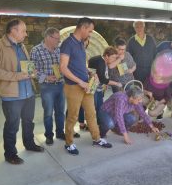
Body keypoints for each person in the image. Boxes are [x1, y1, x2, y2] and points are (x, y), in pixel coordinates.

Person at [60, 17, 112, 155]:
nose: (90, 34)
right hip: (74, 86)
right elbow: (63, 68)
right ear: (82, 28)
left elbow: (80, 65)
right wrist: (80, 81)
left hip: (86, 85)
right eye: (89, 31)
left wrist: (90, 73)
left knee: (91, 113)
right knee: (73, 116)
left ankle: (96, 138)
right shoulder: (67, 44)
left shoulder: (81, 43)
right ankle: (69, 143)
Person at [0, 19, 44, 164]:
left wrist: (32, 71)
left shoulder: (22, 46)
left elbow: (25, 67)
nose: (26, 33)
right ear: (13, 31)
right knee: (12, 125)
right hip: (11, 95)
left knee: (28, 122)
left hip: (28, 92)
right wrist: (18, 76)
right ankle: (10, 154)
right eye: (23, 30)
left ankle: (29, 144)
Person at [30, 27, 65, 145]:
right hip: (47, 87)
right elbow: (32, 71)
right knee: (48, 113)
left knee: (60, 111)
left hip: (60, 85)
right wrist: (46, 77)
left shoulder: (59, 50)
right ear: (48, 37)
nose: (58, 41)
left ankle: (60, 133)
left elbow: (64, 66)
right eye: (57, 39)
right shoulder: (36, 50)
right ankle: (49, 135)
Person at [88, 46, 123, 125]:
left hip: (99, 88)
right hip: (94, 88)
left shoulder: (103, 61)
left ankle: (99, 123)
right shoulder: (100, 62)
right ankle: (95, 125)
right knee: (95, 107)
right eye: (113, 57)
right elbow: (103, 79)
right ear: (107, 56)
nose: (114, 59)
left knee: (100, 107)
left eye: (115, 57)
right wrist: (116, 83)